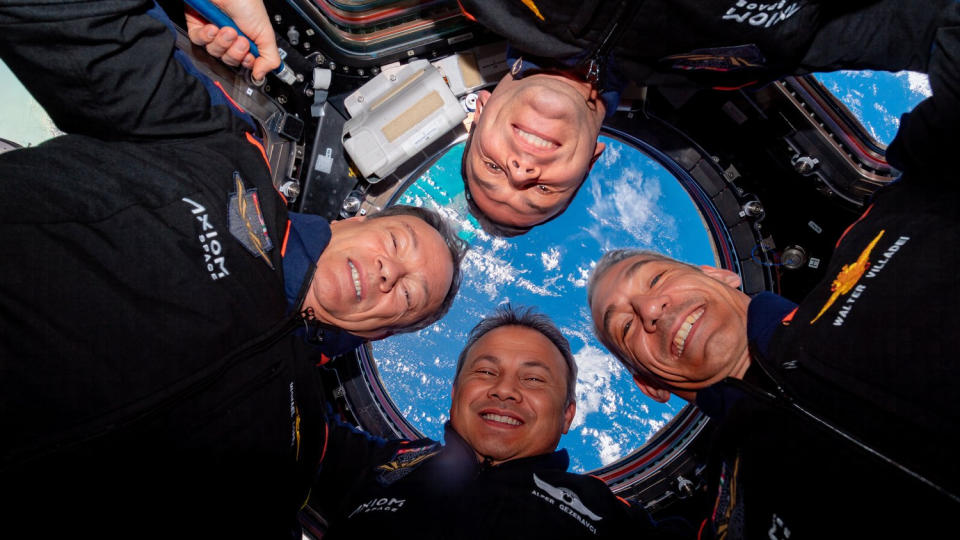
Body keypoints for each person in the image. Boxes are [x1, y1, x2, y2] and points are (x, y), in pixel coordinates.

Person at [0, 0, 466, 536]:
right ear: (352, 221)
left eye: (407, 296)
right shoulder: (224, 150)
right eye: (395, 242)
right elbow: (83, 28)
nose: (389, 274)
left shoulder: (303, 448)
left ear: (380, 331)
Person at [456, 0, 960, 235]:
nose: (522, 172)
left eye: (493, 169)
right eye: (543, 191)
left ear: (478, 113)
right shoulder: (733, 66)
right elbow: (932, 22)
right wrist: (928, 164)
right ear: (591, 160)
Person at [309, 305, 689, 538]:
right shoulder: (378, 465)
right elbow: (277, 412)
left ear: (567, 415)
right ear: (456, 393)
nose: (505, 390)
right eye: (486, 372)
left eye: (534, 379)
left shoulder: (607, 513)